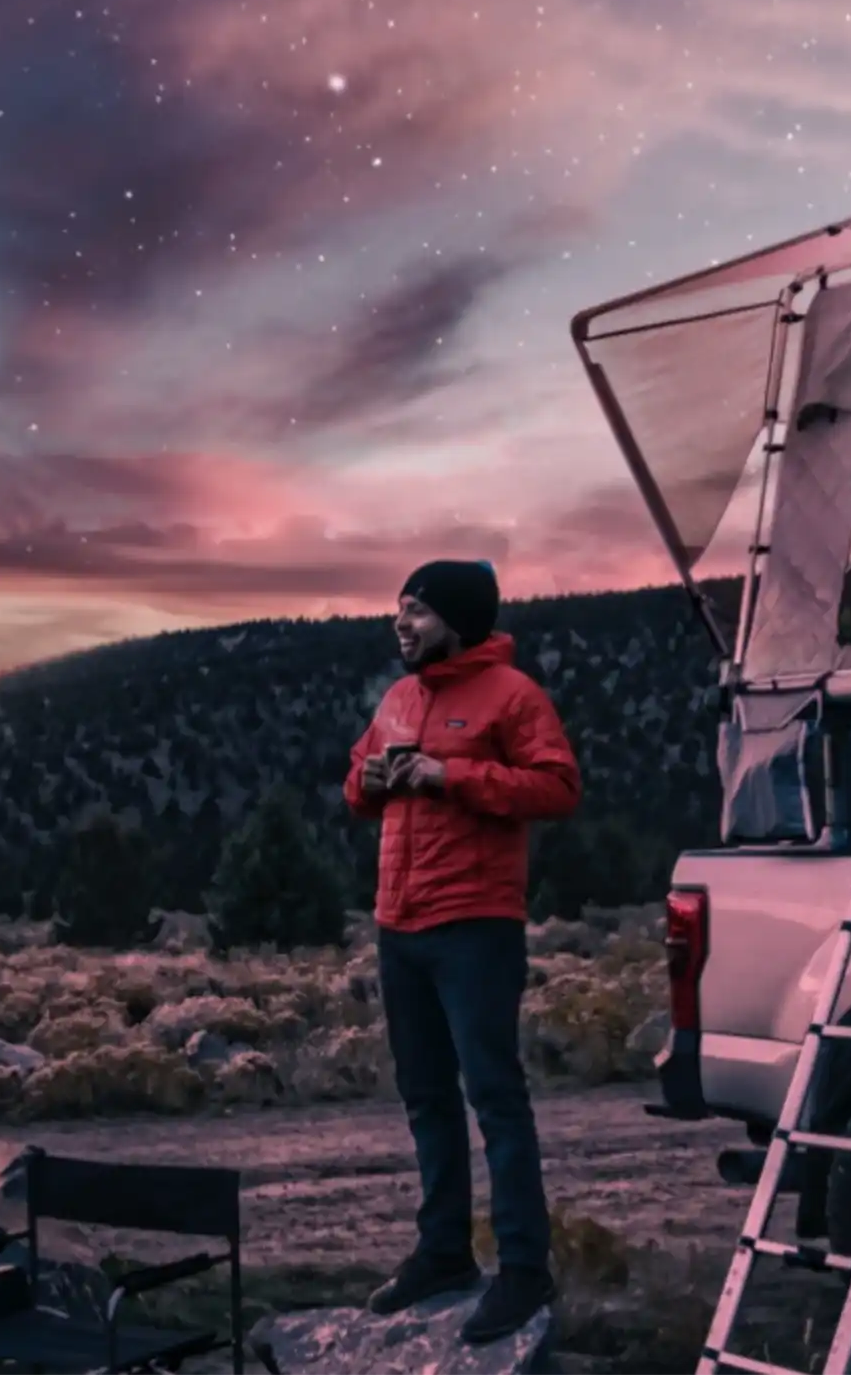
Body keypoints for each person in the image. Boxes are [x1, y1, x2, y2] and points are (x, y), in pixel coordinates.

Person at [343, 558, 582, 1345]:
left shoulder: (513, 695)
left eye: (415, 609)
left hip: (476, 925)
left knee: (495, 1099)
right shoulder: (399, 697)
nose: (401, 623)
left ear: (457, 619)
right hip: (400, 925)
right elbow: (355, 789)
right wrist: (374, 777)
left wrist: (451, 774)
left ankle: (524, 1269)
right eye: (399, 608)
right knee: (426, 1097)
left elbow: (557, 788)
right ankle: (444, 1253)